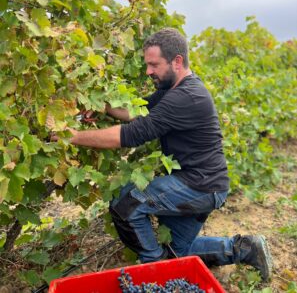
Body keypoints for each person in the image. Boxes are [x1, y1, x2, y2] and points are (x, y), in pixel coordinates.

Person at [53, 28, 272, 281]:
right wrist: (103, 107)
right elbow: (140, 110)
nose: (148, 71)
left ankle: (154, 271)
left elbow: (130, 134)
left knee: (126, 204)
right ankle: (246, 249)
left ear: (176, 61)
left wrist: (73, 136)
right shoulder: (175, 90)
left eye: (153, 64)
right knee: (178, 253)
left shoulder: (186, 97)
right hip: (204, 184)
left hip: (199, 187)